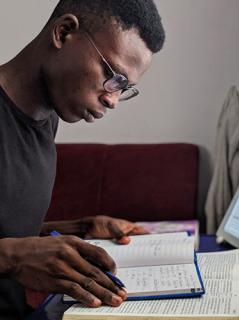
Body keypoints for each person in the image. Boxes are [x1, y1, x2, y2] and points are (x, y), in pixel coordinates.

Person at [0, 0, 165, 318]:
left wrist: (79, 229)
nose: (112, 100)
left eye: (124, 88)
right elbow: (12, 252)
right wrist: (12, 258)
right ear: (64, 32)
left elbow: (10, 231)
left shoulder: (47, 117)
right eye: (113, 76)